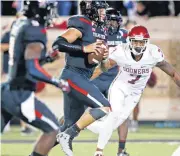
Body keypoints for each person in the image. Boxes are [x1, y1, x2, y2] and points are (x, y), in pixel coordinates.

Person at [87, 25, 180, 156]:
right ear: (129, 41)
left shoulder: (153, 54)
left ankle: (82, 122)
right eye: (135, 41)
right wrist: (85, 81)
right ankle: (98, 152)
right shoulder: (121, 51)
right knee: (115, 113)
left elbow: (173, 73)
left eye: (141, 42)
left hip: (135, 92)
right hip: (120, 87)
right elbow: (102, 68)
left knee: (109, 125)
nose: (137, 45)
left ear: (147, 42)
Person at [1, 1, 69, 156]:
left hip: (6, 90)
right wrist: (58, 82)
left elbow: (25, 61)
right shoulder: (34, 29)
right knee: (53, 130)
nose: (51, 12)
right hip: (20, 94)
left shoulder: (20, 23)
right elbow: (32, 70)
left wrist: (46, 59)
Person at [52, 1, 111, 156]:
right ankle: (69, 136)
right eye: (101, 9)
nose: (104, 12)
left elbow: (103, 68)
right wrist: (84, 48)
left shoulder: (100, 30)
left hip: (83, 77)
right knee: (104, 107)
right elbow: (58, 44)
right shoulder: (82, 23)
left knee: (67, 125)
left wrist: (104, 59)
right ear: (91, 9)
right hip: (72, 75)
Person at [90, 7, 129, 156]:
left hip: (116, 78)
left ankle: (121, 150)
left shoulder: (124, 35)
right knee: (89, 111)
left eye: (114, 21)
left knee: (123, 114)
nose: (112, 24)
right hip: (98, 76)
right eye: (109, 20)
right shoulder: (95, 34)